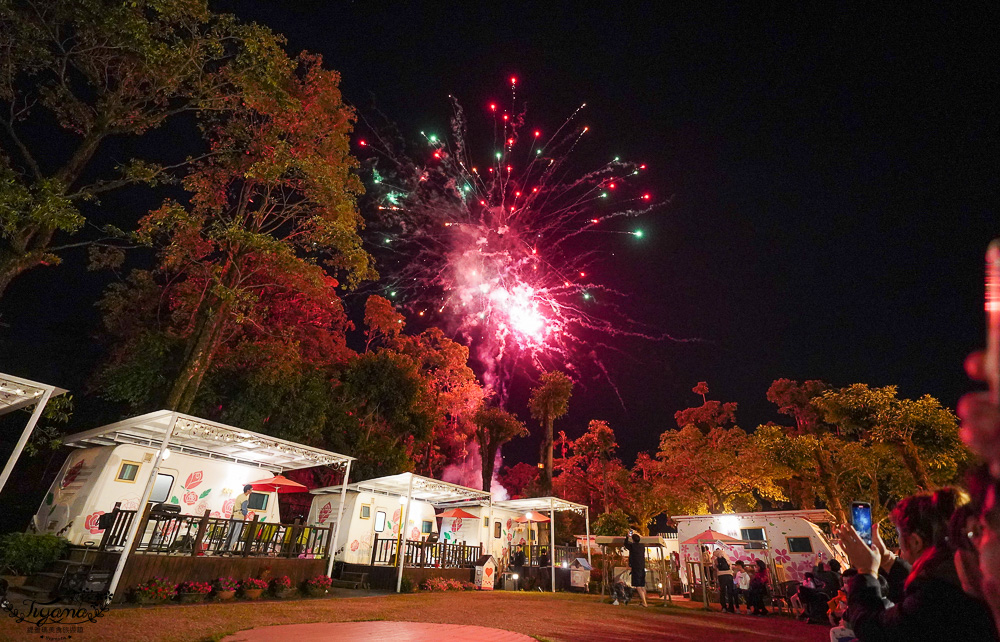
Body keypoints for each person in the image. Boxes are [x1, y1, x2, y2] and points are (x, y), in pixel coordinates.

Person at [837, 487, 1000, 641]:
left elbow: (876, 630)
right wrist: (887, 559)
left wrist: (866, 571)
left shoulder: (937, 594)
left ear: (915, 542)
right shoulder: (956, 572)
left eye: (899, 534)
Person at [224, 484, 253, 552]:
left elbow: (234, 506)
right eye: (251, 489)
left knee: (230, 532)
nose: (252, 491)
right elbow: (244, 509)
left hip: (234, 515)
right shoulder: (245, 498)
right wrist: (245, 515)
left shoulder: (239, 496)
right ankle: (229, 548)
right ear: (248, 490)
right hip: (239, 517)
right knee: (235, 533)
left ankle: (225, 547)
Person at [623, 529, 648, 607]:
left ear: (633, 540)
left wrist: (627, 537)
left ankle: (644, 602)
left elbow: (626, 544)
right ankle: (644, 601)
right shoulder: (642, 547)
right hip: (642, 567)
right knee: (642, 585)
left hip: (636, 567)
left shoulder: (632, 546)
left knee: (638, 585)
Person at [714, 548, 736, 613]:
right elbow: (730, 566)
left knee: (722, 591)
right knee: (730, 591)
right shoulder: (727, 558)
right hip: (729, 575)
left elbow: (714, 567)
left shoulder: (716, 560)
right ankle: (731, 607)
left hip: (721, 575)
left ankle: (724, 607)